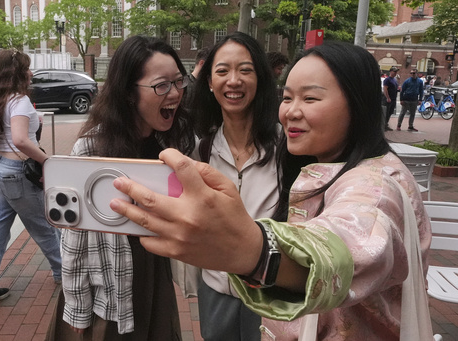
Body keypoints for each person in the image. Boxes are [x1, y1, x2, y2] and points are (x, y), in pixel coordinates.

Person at [109, 41, 432, 340]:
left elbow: (349, 242)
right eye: (288, 97)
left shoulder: (373, 186)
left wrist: (252, 250)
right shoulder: (207, 148)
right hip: (237, 290)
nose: (291, 110)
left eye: (310, 98)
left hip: (273, 294)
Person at [46, 36, 195, 340]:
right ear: (129, 92)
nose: (175, 93)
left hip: (153, 272)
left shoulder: (169, 143)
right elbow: (73, 236)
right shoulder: (92, 148)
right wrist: (76, 303)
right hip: (108, 283)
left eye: (179, 82)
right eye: (161, 85)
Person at [190, 32, 296, 341]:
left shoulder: (287, 148)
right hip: (216, 291)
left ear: (261, 79)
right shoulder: (203, 151)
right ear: (209, 82)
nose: (233, 80)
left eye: (245, 70)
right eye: (222, 71)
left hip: (272, 292)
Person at [0, 48, 62, 309]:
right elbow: (20, 140)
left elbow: (8, 136)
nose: (31, 72)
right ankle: (67, 273)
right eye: (27, 67)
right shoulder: (19, 101)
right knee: (46, 227)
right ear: (17, 72)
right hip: (17, 173)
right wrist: (48, 161)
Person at [383, 66, 399, 131]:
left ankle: (386, 124)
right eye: (394, 71)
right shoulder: (387, 80)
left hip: (393, 98)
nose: (395, 73)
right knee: (386, 113)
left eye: (396, 72)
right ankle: (383, 125)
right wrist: (387, 97)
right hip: (389, 99)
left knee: (390, 112)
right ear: (391, 72)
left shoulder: (394, 80)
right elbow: (385, 89)